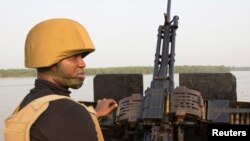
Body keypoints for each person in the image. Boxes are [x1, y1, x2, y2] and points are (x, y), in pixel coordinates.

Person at [4, 18, 118, 141]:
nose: (82, 63)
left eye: (81, 56)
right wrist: (81, 116)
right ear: (51, 62)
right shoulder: (70, 112)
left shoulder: (28, 104)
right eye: (73, 57)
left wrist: (94, 114)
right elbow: (64, 120)